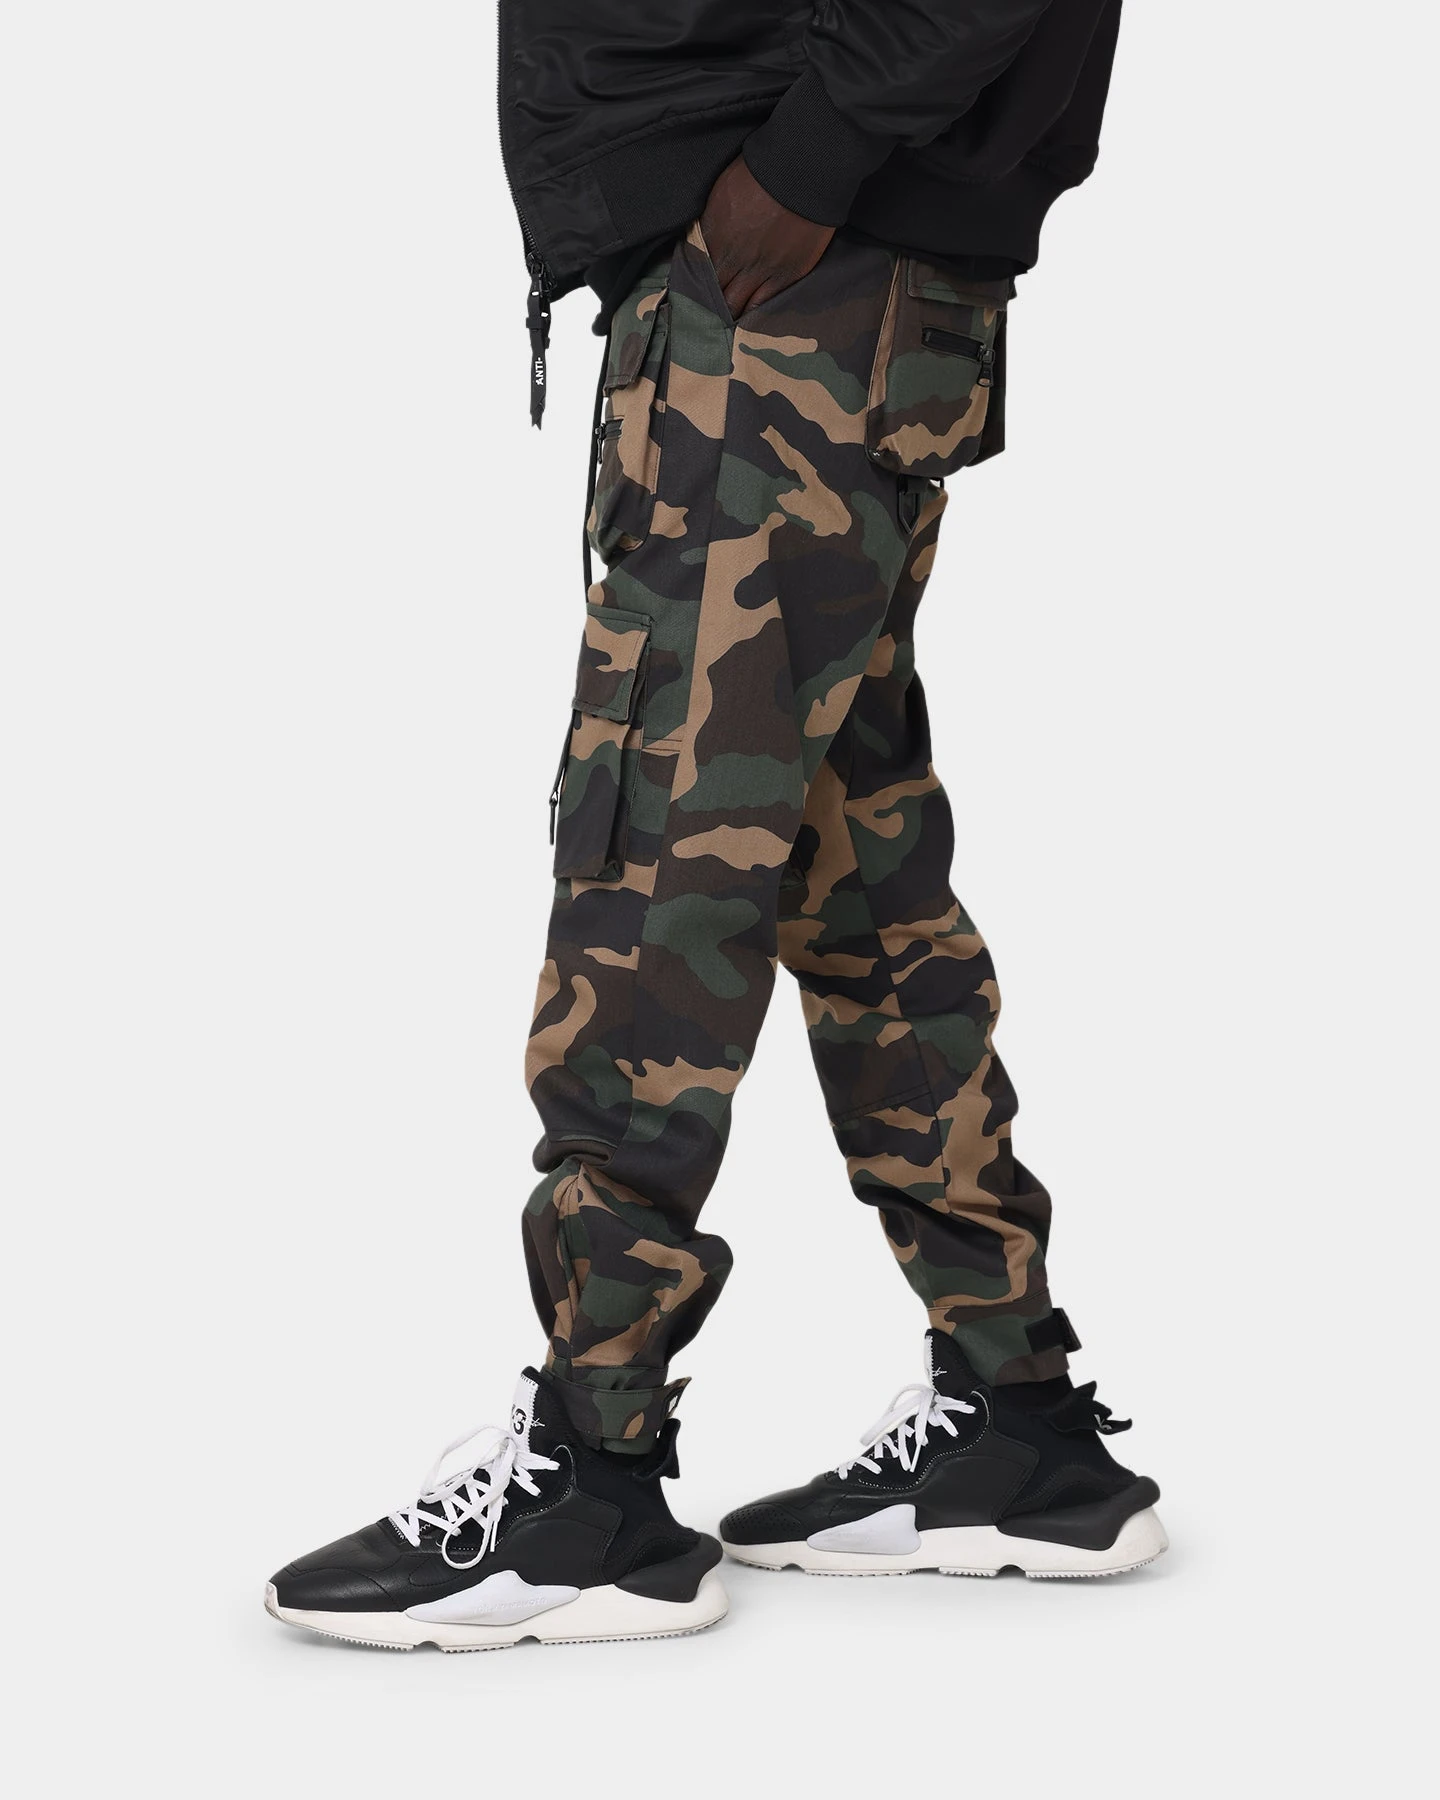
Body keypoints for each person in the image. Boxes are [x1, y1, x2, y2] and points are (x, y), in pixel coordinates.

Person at [265, 0, 1166, 1653]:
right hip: (830, 278)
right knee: (850, 873)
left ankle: (592, 1474)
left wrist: (801, 165)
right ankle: (1016, 1417)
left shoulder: (797, 207)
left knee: (661, 852)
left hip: (788, 280)